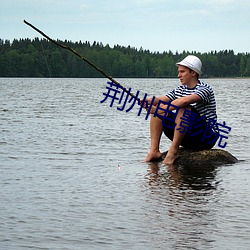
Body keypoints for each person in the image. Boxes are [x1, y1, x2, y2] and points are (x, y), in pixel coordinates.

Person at [143, 55, 219, 165]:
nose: (179, 75)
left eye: (182, 72)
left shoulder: (205, 89)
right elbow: (161, 100)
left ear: (193, 73)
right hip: (188, 136)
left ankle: (173, 151)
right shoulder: (179, 90)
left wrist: (159, 109)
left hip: (205, 137)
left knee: (183, 108)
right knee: (158, 111)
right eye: (179, 72)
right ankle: (154, 151)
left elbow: (184, 101)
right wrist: (149, 100)